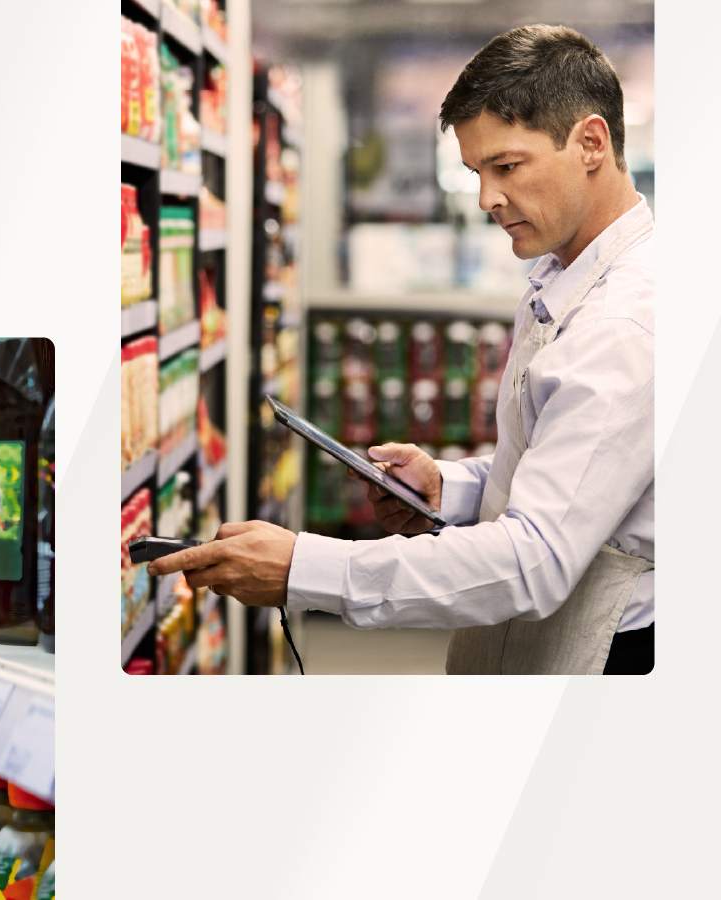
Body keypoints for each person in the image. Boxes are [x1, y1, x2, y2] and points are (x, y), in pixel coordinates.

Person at [148, 25, 654, 675]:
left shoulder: (626, 323)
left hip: (602, 662)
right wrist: (450, 488)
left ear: (591, 142)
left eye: (507, 166)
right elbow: (566, 467)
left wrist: (308, 567)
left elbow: (535, 561)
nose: (487, 199)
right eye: (477, 172)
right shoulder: (569, 275)